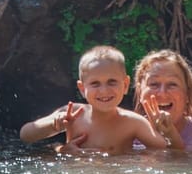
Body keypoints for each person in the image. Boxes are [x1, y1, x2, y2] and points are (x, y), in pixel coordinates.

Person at [19, 45, 174, 154]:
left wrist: (165, 128)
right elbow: (25, 135)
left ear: (125, 85)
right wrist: (53, 125)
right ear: (82, 89)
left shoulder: (133, 122)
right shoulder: (72, 114)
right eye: (95, 83)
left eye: (112, 82)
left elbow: (166, 151)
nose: (104, 90)